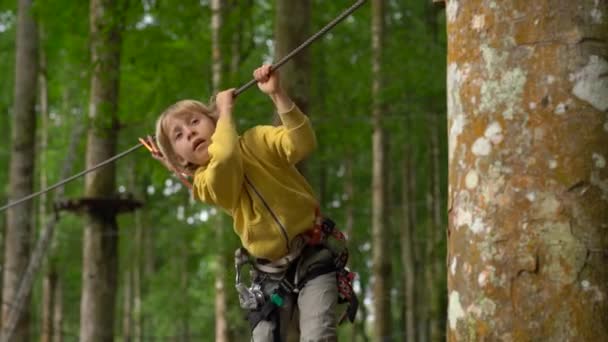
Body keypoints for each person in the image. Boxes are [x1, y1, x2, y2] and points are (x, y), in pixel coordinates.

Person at [143, 64, 356, 341]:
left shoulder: (258, 140)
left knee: (318, 334)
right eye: (179, 135)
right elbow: (226, 158)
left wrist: (278, 94)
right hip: (271, 279)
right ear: (182, 159)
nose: (191, 133)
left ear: (213, 121)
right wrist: (225, 114)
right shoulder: (206, 184)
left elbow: (302, 143)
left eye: (194, 122)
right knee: (266, 335)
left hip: (313, 258)